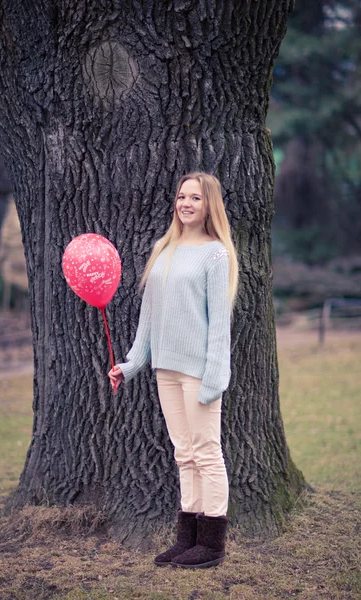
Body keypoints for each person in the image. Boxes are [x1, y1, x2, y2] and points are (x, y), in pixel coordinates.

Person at [108, 172, 238, 569]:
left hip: (199, 371)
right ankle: (188, 539)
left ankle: (212, 544)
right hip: (166, 369)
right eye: (182, 197)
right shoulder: (163, 249)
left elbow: (220, 322)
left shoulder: (216, 254)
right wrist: (130, 365)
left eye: (195, 198)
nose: (186, 204)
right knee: (184, 453)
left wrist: (216, 376)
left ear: (208, 205)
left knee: (206, 453)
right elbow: (149, 319)